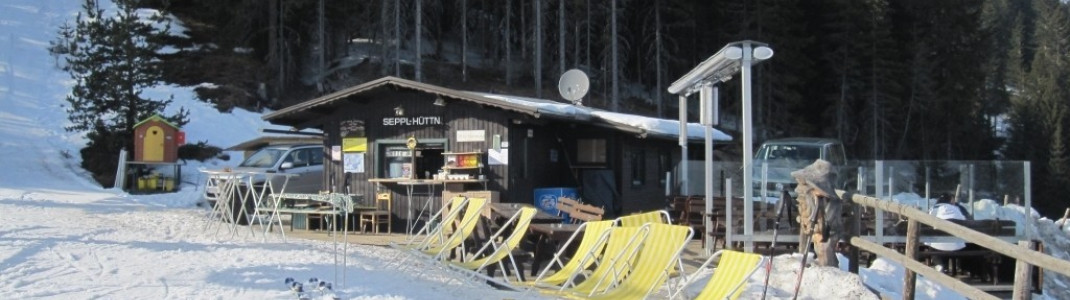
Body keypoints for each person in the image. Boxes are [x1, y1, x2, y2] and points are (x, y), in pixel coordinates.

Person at [926, 193, 967, 273]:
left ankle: (939, 264)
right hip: (956, 243)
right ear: (950, 200)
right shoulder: (956, 209)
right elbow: (964, 221)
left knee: (933, 245)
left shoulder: (933, 209)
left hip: (937, 242)